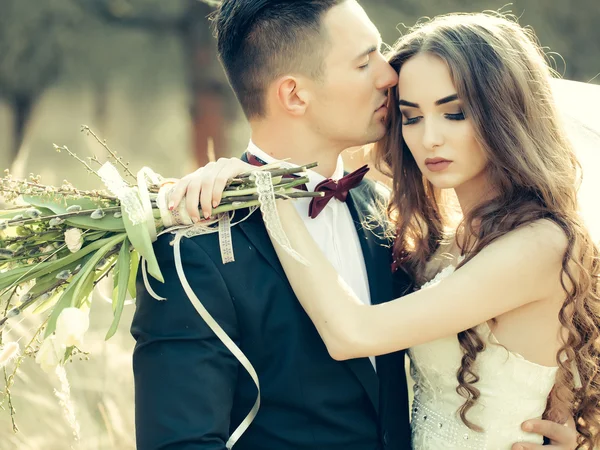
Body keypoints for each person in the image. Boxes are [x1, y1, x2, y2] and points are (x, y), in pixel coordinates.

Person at [140, 2, 578, 449]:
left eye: (453, 112)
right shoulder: (195, 245)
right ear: (294, 95)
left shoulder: (381, 217)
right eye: (366, 60)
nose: (388, 75)